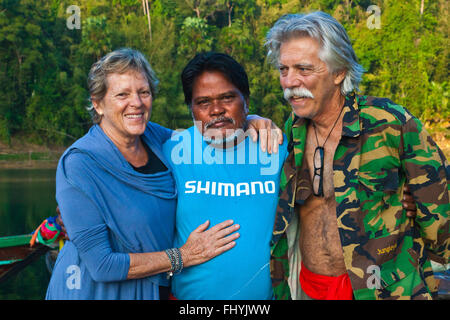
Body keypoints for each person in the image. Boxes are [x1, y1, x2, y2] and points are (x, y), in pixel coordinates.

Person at [45, 48, 279, 300]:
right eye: (122, 94)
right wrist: (185, 255)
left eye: (143, 92)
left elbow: (211, 127)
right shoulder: (79, 163)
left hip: (151, 290)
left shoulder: (159, 140)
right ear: (97, 103)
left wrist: (251, 119)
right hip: (95, 291)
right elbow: (102, 265)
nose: (136, 102)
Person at [265, 12, 449, 300]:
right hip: (310, 288)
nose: (289, 81)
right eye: (283, 69)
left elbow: (440, 212)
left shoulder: (391, 123)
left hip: (382, 290)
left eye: (303, 68)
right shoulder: (293, 131)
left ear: (339, 72)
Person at [162, 52, 289, 299]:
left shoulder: (277, 148)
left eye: (227, 98)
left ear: (246, 100)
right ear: (191, 109)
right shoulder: (170, 152)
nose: (216, 110)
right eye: (203, 102)